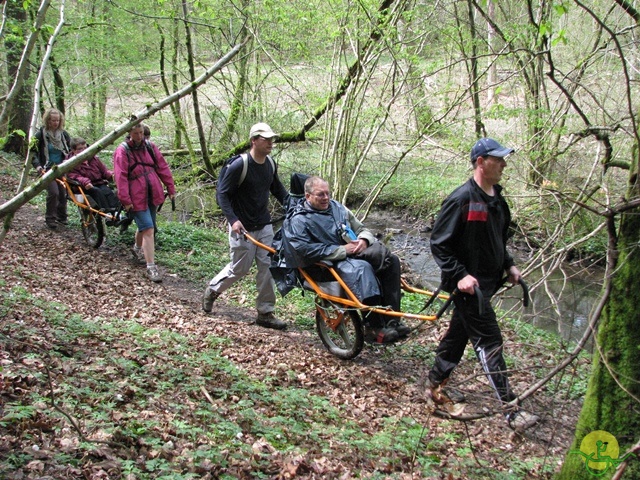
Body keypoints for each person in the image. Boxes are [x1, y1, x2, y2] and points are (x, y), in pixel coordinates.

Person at [425, 137, 539, 431]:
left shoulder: (497, 199)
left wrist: (509, 264)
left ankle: (434, 385)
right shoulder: (461, 199)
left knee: (457, 337)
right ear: (480, 162)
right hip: (469, 289)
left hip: (489, 283)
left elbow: (498, 238)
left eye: (504, 159)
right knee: (489, 341)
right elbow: (439, 245)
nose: (503, 164)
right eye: (498, 159)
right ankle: (511, 408)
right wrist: (460, 275)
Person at [281, 176, 411, 344]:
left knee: (390, 260)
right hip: (325, 265)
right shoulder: (299, 219)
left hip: (350, 255)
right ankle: (374, 326)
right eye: (320, 195)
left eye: (328, 193)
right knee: (362, 268)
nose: (326, 198)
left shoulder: (338, 208)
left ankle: (393, 319)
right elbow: (302, 250)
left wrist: (364, 240)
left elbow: (361, 228)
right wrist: (341, 250)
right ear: (307, 196)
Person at [202, 122, 288, 330]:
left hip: (265, 225)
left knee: (268, 268)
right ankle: (213, 290)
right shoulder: (239, 165)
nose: (270, 143)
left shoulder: (270, 164)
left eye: (271, 139)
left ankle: (265, 313)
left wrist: (295, 206)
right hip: (243, 229)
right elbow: (222, 194)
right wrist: (233, 220)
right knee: (239, 269)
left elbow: (278, 190)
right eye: (265, 139)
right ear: (254, 141)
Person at [113, 124, 176, 283]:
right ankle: (151, 267)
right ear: (129, 133)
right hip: (135, 195)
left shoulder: (150, 147)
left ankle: (136, 249)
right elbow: (120, 177)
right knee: (148, 228)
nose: (139, 136)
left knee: (147, 226)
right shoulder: (122, 151)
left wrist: (170, 187)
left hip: (152, 192)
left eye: (141, 133)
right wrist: (125, 200)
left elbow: (162, 167)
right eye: (136, 133)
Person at [31, 108, 71, 229]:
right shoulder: (40, 135)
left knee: (63, 193)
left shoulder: (64, 135)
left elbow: (70, 149)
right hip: (47, 168)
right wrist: (38, 166)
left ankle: (61, 216)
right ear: (47, 120)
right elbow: (33, 152)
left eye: (58, 120)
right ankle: (50, 218)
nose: (55, 123)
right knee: (54, 192)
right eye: (53, 120)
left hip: (61, 168)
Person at [67, 137, 119, 212]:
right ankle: (107, 214)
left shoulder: (93, 158)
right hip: (84, 187)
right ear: (73, 150)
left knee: (107, 191)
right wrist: (85, 182)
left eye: (85, 148)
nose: (84, 150)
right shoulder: (70, 163)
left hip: (98, 183)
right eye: (80, 149)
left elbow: (104, 171)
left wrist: (113, 175)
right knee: (97, 192)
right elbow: (74, 176)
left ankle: (117, 213)